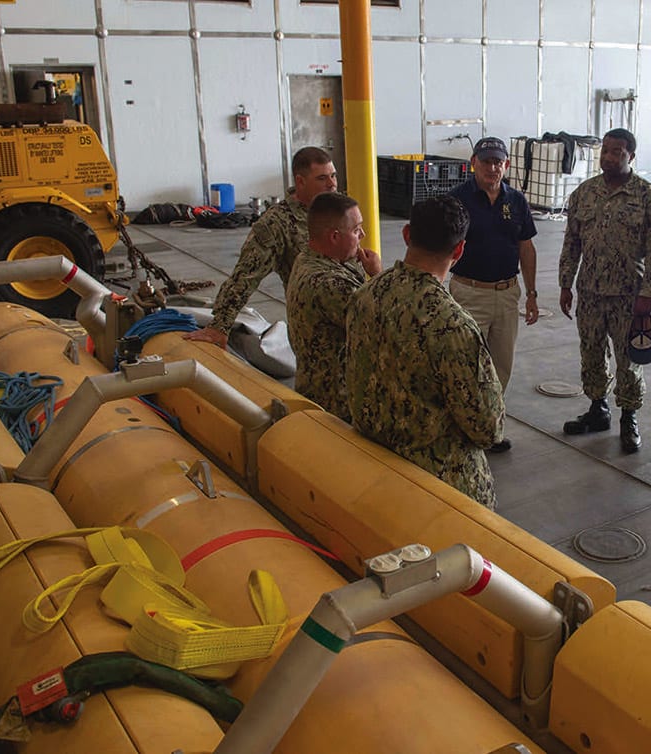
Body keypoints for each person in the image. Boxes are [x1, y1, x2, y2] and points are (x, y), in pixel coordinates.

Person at [345, 196, 505, 508]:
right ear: (459, 250)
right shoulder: (453, 325)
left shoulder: (364, 296)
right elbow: (488, 429)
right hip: (440, 488)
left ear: (407, 234)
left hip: (372, 467)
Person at [559, 128, 651, 454]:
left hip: (628, 296)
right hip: (590, 293)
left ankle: (629, 417)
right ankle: (598, 409)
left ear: (630, 156)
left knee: (628, 360)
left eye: (617, 151)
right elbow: (572, 243)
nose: (608, 157)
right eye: (605, 150)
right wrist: (565, 283)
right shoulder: (584, 193)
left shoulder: (648, 197)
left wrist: (648, 293)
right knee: (592, 352)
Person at [186, 147, 339, 348]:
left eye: (333, 176)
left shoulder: (338, 209)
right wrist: (219, 326)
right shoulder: (277, 223)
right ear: (300, 181)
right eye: (322, 178)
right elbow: (245, 275)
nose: (332, 184)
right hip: (315, 334)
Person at [448, 136, 539, 453]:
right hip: (468, 293)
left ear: (507, 165)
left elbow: (526, 247)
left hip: (507, 293)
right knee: (466, 365)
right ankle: (462, 430)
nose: (492, 167)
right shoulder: (457, 200)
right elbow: (442, 246)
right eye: (486, 161)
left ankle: (489, 429)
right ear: (473, 163)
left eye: (498, 162)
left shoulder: (516, 201)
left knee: (501, 367)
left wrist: (531, 294)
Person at [285, 192, 382, 421]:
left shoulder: (308, 258)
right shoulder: (329, 284)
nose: (363, 235)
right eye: (356, 230)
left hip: (316, 389)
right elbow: (383, 323)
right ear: (335, 237)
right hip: (337, 405)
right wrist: (378, 275)